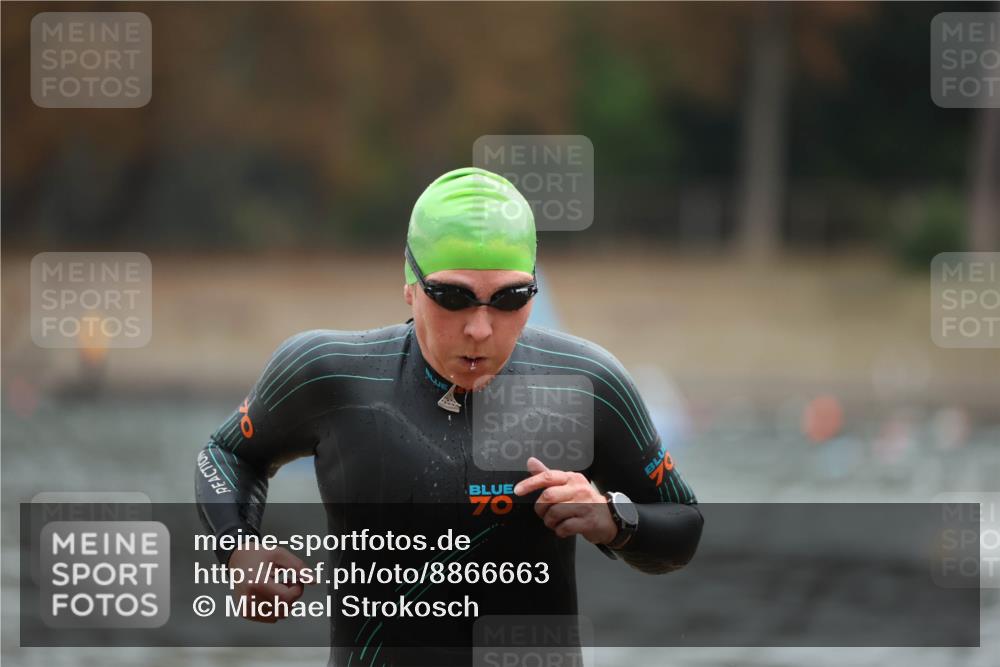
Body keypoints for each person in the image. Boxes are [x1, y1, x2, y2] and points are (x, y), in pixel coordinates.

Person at [195, 166, 703, 665]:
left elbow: (683, 525)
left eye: (509, 299)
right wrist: (238, 549)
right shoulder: (331, 373)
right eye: (453, 297)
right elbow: (228, 454)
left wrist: (614, 518)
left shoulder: (585, 382)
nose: (480, 328)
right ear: (410, 285)